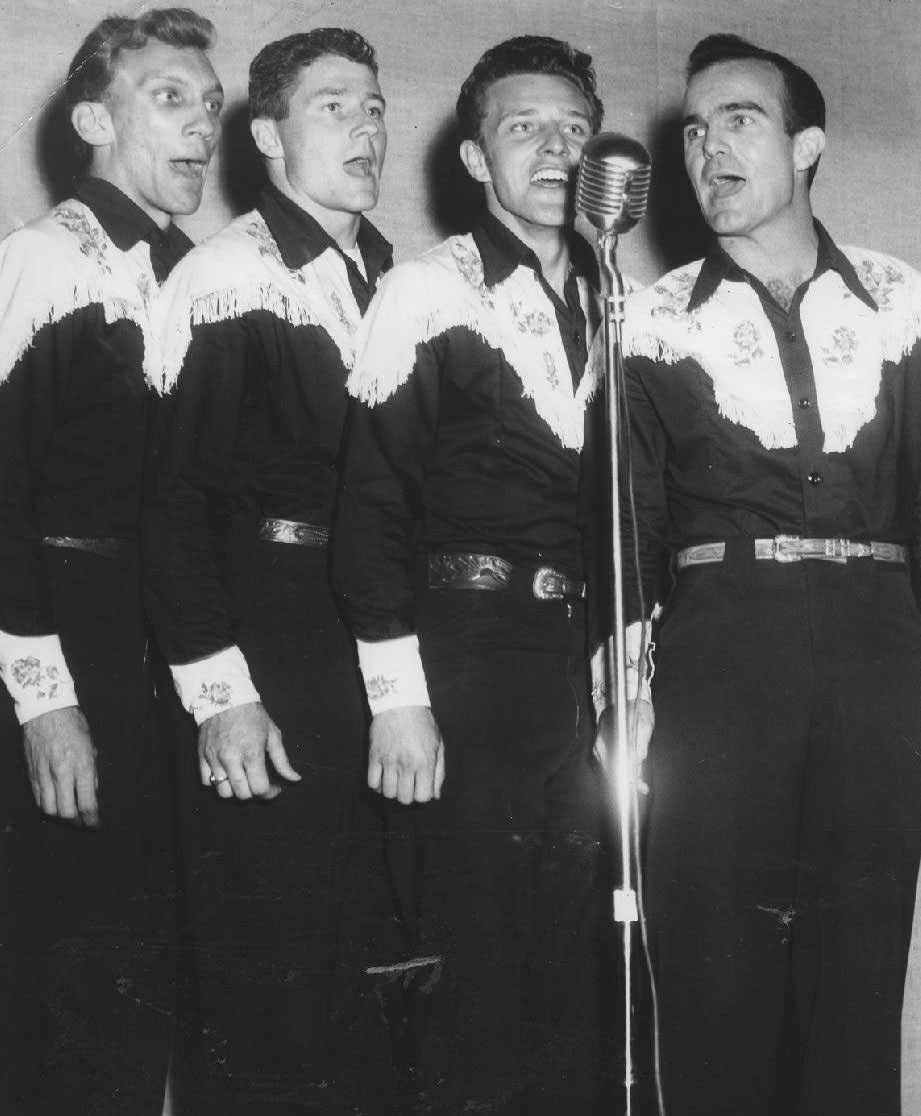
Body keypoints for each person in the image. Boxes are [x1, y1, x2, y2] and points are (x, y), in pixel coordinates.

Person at [620, 32, 921, 1116]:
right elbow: (628, 528)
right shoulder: (652, 324)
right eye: (692, 132)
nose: (707, 151)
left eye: (737, 120)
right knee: (713, 979)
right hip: (721, 653)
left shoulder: (903, 302)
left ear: (808, 145)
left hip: (881, 652)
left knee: (857, 980)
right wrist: (628, 694)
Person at [333, 35, 609, 1116]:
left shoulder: (616, 300)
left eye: (574, 129)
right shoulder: (425, 292)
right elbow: (371, 513)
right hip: (465, 659)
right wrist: (400, 702)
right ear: (474, 157)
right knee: (475, 967)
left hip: (574, 669)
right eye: (524, 126)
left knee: (578, 970)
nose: (555, 148)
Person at [143, 28, 394, 1116]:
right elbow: (172, 508)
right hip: (269, 651)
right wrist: (221, 699)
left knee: (367, 971)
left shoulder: (398, 279)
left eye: (376, 106)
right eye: (335, 106)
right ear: (268, 137)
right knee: (268, 980)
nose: (368, 127)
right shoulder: (228, 276)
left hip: (375, 656)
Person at [0, 9, 222, 1115]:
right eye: (171, 97)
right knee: (61, 983)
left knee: (152, 981)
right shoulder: (39, 263)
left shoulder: (202, 278)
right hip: (63, 659)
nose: (203, 124)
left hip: (165, 670)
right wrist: (45, 705)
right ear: (95, 118)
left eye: (211, 104)